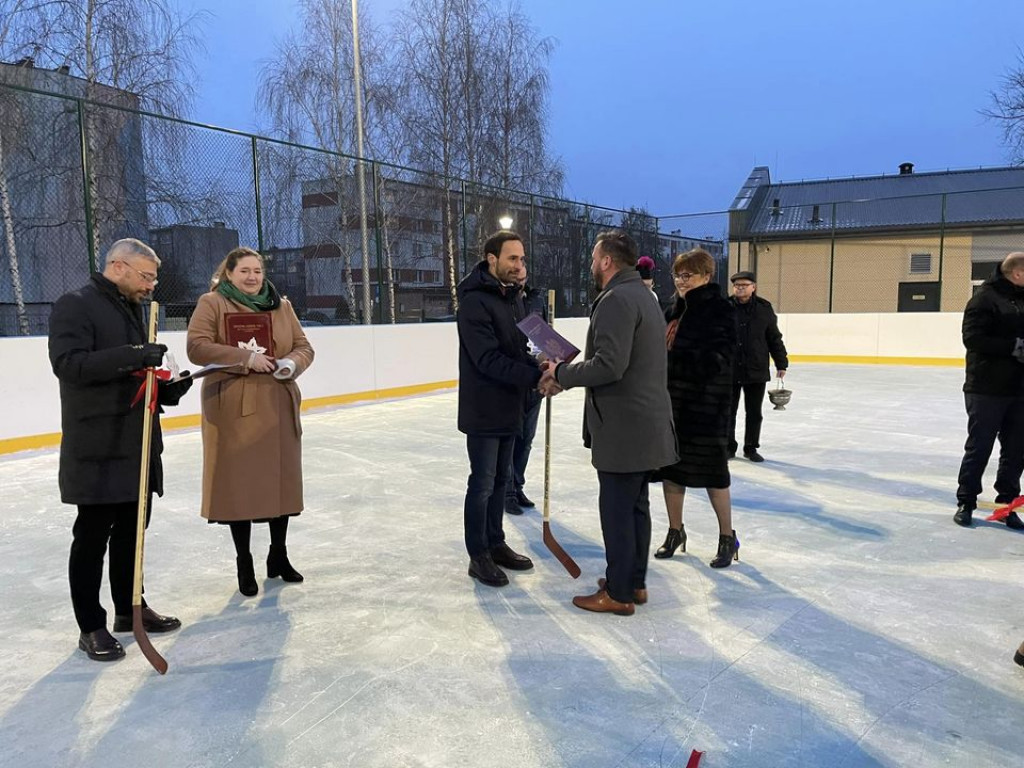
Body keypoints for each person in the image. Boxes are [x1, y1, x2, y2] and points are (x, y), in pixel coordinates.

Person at [48, 238, 191, 662]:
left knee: (133, 534)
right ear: (118, 266)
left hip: (139, 443)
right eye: (146, 276)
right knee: (92, 538)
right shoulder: (75, 305)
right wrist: (133, 356)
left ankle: (131, 610)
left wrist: (169, 388)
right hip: (98, 445)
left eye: (154, 278)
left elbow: (139, 377)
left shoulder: (132, 308)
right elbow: (69, 365)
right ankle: (90, 625)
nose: (152, 285)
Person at [539, 231, 677, 616]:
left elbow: (610, 365)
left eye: (593, 256)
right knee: (635, 506)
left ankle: (619, 593)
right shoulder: (643, 296)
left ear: (606, 261)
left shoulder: (617, 299)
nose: (590, 263)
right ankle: (633, 582)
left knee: (617, 509)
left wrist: (561, 372)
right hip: (643, 421)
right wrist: (567, 375)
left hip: (624, 425)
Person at [186, 247, 315, 596]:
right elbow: (197, 347)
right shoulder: (212, 303)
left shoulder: (281, 305)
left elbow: (304, 346)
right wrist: (245, 358)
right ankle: (245, 562)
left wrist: (291, 364)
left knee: (280, 481)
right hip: (234, 407)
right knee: (240, 487)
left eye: (257, 270)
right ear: (228, 273)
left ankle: (278, 555)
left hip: (277, 401)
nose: (253, 277)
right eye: (244, 270)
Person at [457, 230, 542, 587]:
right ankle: (478, 554)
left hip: (510, 404)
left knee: (502, 479)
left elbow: (521, 347)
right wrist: (534, 376)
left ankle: (496, 542)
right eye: (512, 258)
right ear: (491, 259)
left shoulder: (512, 299)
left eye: (522, 259)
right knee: (483, 483)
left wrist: (544, 361)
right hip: (484, 407)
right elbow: (488, 359)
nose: (519, 265)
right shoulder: (475, 302)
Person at [652, 249, 739, 568]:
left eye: (688, 275)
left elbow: (721, 358)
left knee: (715, 475)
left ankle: (727, 537)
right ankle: (676, 531)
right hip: (672, 405)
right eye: (677, 275)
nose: (681, 281)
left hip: (707, 406)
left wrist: (678, 365)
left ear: (706, 276)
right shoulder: (673, 309)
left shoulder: (719, 309)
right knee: (671, 471)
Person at [954, 252, 1024, 529]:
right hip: (985, 388)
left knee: (1016, 451)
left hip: (1019, 389)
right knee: (979, 447)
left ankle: (1007, 506)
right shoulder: (984, 299)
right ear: (1017, 274)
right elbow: (972, 338)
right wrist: (1013, 347)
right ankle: (966, 502)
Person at [728, 271, 788, 463]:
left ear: (753, 287)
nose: (740, 288)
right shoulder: (725, 307)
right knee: (728, 411)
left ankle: (751, 447)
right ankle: (728, 447)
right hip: (729, 369)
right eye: (737, 285)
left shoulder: (764, 308)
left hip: (756, 369)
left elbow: (774, 337)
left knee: (754, 412)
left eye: (744, 285)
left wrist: (781, 362)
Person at [504, 267, 547, 516]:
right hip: (515, 380)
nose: (520, 277)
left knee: (526, 439)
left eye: (523, 272)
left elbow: (544, 336)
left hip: (536, 379)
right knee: (512, 437)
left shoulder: (535, 300)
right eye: (516, 273)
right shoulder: (503, 304)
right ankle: (507, 491)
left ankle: (517, 485)